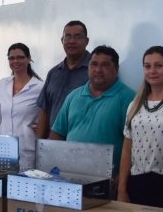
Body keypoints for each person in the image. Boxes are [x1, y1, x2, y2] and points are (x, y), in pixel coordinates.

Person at [118, 46, 163, 209]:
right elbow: (127, 150)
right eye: (147, 66)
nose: (152, 71)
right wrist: (122, 189)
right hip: (137, 183)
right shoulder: (135, 105)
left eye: (158, 65)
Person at [50, 46, 135, 177]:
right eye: (94, 64)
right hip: (69, 176)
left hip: (107, 180)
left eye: (105, 65)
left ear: (116, 69)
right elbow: (57, 134)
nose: (98, 70)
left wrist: (122, 177)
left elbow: (133, 144)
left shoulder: (129, 98)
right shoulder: (74, 96)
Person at [0, 43, 43, 171]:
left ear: (29, 59)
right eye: (12, 58)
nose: (15, 61)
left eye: (20, 57)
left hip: (27, 150)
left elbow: (47, 115)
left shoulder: (39, 87)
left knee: (24, 182)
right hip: (3, 150)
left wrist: (42, 128)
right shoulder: (2, 84)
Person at [36, 20, 91, 139]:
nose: (72, 41)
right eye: (68, 36)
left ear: (87, 41)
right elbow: (44, 111)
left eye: (78, 37)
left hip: (81, 143)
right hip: (53, 142)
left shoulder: (95, 72)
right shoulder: (53, 73)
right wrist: (39, 144)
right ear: (62, 40)